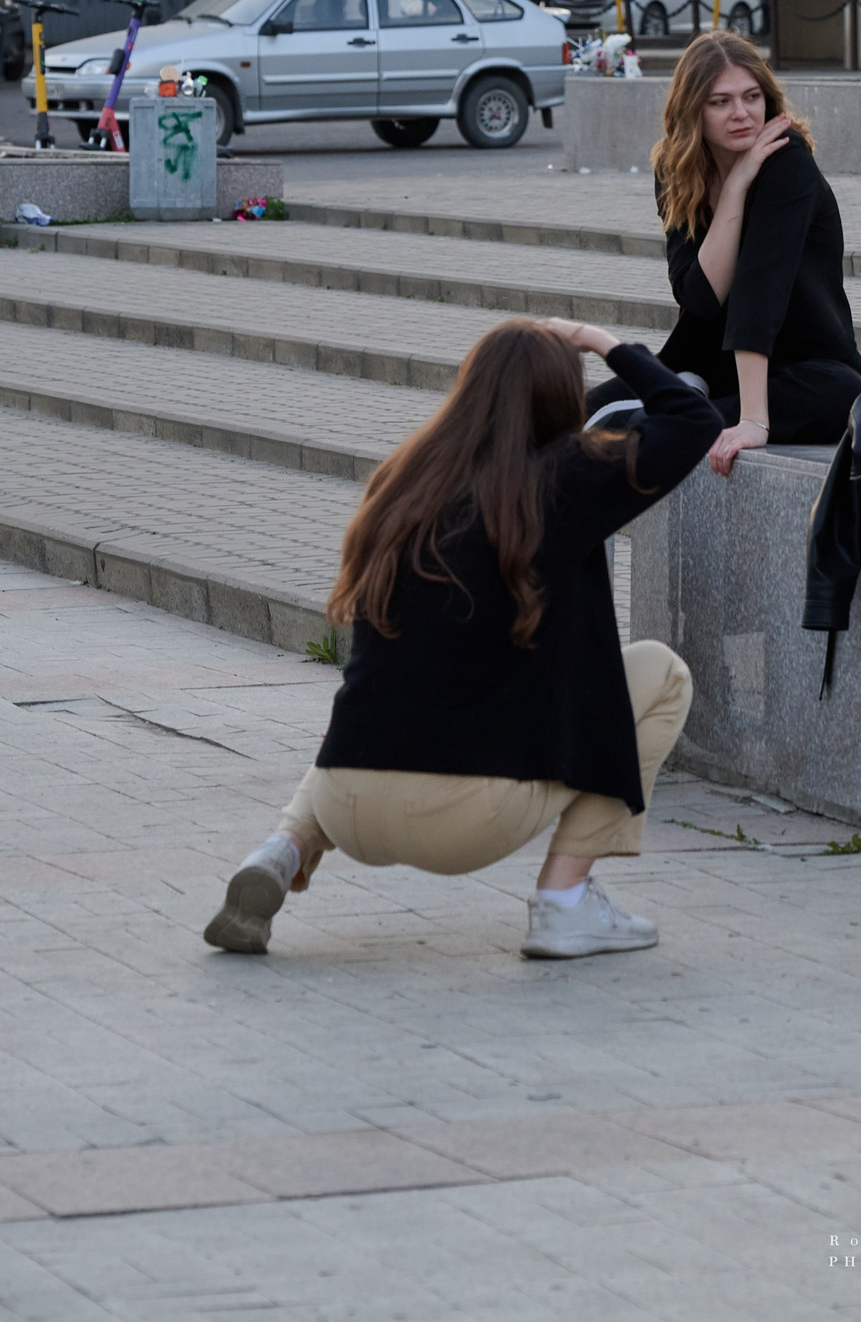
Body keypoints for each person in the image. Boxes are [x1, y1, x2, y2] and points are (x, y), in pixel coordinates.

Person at [202, 316, 714, 961]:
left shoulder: (404, 483)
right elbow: (693, 421)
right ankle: (566, 905)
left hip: (345, 802)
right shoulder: (566, 481)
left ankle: (283, 848)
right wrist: (600, 341)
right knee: (658, 675)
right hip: (465, 819)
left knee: (382, 704)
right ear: (562, 400)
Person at [584, 32, 861, 465]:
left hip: (803, 361)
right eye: (720, 102)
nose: (741, 114)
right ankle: (676, 407)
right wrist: (736, 186)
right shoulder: (676, 168)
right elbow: (700, 296)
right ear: (692, 109)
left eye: (751, 97)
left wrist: (754, 421)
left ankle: (676, 418)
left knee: (843, 396)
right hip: (707, 362)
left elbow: (760, 289)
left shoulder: (786, 161)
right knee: (588, 408)